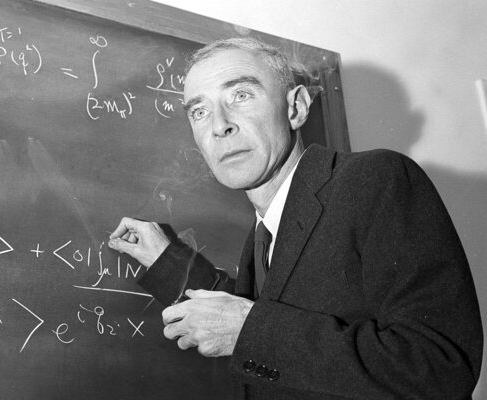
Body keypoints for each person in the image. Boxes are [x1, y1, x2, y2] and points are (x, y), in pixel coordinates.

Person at [108, 37, 483, 399]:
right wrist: (166, 261)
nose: (219, 125)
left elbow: (442, 367)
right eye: (199, 111)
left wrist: (251, 332)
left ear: (296, 108)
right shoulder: (263, 232)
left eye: (241, 95)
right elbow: (258, 312)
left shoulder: (376, 179)